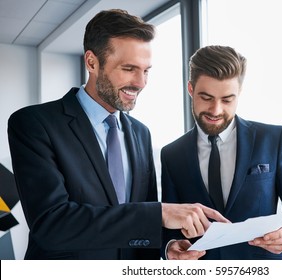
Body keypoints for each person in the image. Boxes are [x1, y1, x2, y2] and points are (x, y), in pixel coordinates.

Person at [7, 9, 228, 260]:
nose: (141, 82)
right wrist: (159, 214)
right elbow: (51, 224)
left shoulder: (141, 133)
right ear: (92, 62)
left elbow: (138, 224)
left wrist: (166, 250)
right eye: (129, 68)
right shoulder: (34, 124)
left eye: (146, 70)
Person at [160, 45, 282, 260]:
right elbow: (168, 224)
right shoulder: (172, 154)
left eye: (227, 100)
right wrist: (170, 246)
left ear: (239, 93)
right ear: (190, 89)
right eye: (206, 98)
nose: (216, 110)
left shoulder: (272, 139)